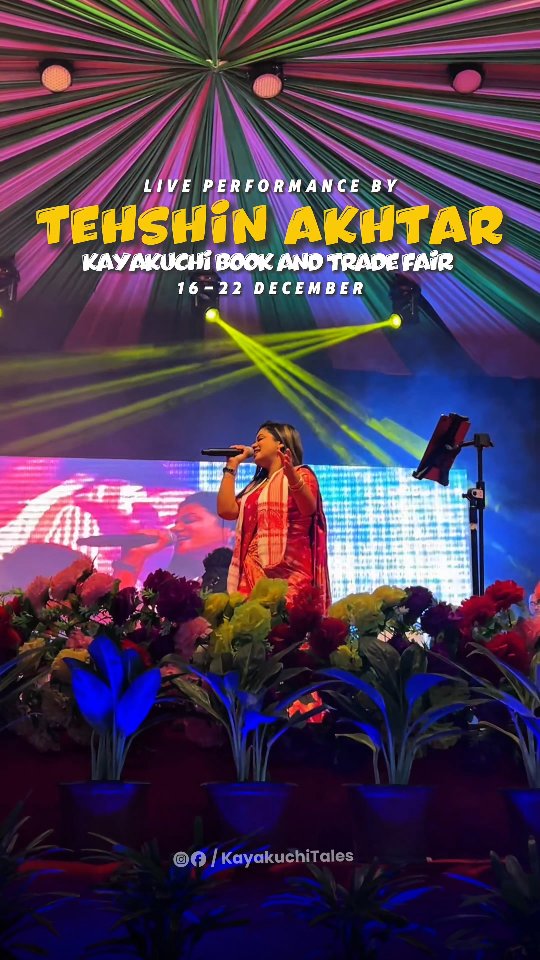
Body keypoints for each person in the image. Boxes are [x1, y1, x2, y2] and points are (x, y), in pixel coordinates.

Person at [217, 421, 330, 610]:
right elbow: (226, 510)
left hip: (290, 575)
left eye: (260, 439)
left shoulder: (301, 474)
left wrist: (291, 476)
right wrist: (231, 466)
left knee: (285, 625)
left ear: (281, 443)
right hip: (251, 574)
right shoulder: (255, 488)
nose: (254, 445)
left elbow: (308, 508)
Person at [115, 492, 235, 586]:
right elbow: (118, 609)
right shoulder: (169, 586)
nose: (174, 528)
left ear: (229, 528)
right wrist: (134, 557)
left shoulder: (242, 578)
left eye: (189, 520)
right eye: (176, 523)